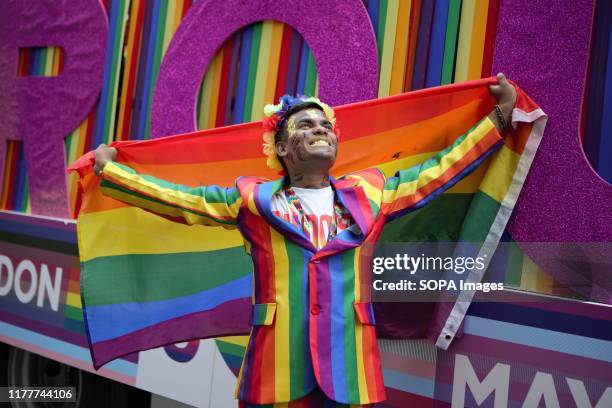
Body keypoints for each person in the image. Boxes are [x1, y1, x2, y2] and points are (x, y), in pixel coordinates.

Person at [93, 73, 516, 407]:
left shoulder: (370, 191)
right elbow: (180, 200)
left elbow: (438, 172)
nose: (320, 130)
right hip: (276, 371)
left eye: (325, 125)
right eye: (304, 124)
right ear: (280, 147)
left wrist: (497, 120)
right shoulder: (251, 199)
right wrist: (111, 173)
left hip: (350, 373)